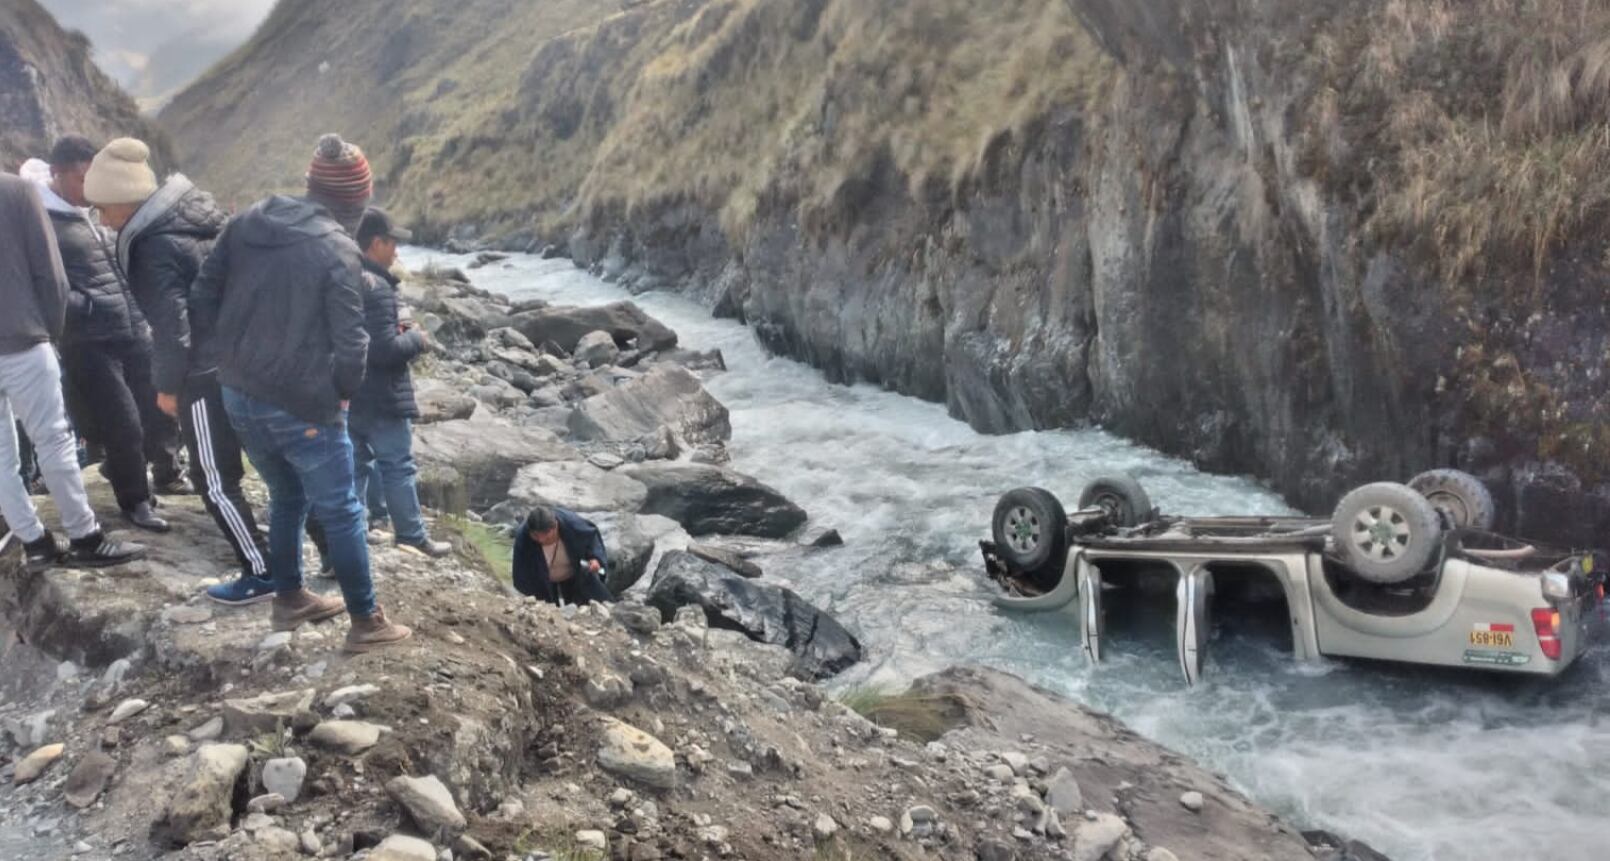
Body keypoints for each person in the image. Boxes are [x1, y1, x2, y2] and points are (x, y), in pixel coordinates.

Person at [189, 133, 411, 652]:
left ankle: (289, 598)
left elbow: (202, 294)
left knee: (287, 495)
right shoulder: (338, 250)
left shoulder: (248, 220)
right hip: (305, 402)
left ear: (312, 184)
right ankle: (366, 622)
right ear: (356, 202)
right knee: (341, 510)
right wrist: (339, 394)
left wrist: (228, 358)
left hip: (238, 392)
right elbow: (353, 344)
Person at [83, 138, 273, 599]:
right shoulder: (198, 215)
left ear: (125, 200)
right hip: (251, 356)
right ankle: (326, 552)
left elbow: (173, 329)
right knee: (279, 465)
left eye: (105, 209)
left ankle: (263, 571)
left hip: (203, 374)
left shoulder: (151, 245)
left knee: (215, 479)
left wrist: (168, 387)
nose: (103, 221)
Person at [0, 172, 145, 569]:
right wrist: (49, 330)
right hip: (23, 339)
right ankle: (85, 537)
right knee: (53, 441)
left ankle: (35, 542)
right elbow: (52, 275)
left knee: (0, 457)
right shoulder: (17, 190)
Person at [38, 136, 176, 532]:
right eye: (82, 178)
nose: (90, 187)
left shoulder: (101, 211)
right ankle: (136, 501)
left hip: (133, 328)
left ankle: (122, 470)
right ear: (57, 173)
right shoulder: (42, 218)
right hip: (89, 341)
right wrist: (89, 306)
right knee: (123, 422)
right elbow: (43, 282)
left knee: (155, 411)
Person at [350, 208, 450, 557]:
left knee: (357, 462)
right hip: (383, 394)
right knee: (397, 465)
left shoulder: (351, 276)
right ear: (376, 243)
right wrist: (417, 339)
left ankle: (356, 529)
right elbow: (384, 349)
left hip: (352, 390)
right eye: (392, 243)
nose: (396, 252)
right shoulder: (377, 288)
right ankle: (410, 533)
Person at [512, 506, 614, 607]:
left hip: (573, 573)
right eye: (536, 536)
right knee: (549, 612)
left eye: (546, 535)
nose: (541, 540)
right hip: (541, 581)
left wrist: (595, 558)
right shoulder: (523, 537)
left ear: (555, 526)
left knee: (596, 601)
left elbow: (591, 538)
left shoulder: (571, 523)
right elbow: (521, 573)